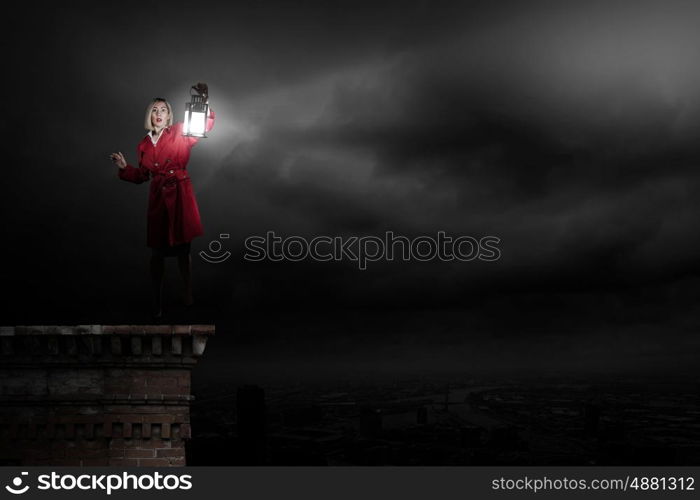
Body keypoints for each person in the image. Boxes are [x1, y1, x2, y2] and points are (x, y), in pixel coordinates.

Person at [110, 83, 215, 318]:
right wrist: (125, 168)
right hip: (158, 198)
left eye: (163, 110)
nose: (159, 114)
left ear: (170, 116)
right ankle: (156, 300)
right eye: (155, 110)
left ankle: (187, 292)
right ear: (150, 115)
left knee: (182, 250)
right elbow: (142, 176)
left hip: (179, 194)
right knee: (157, 253)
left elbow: (203, 126)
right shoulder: (143, 145)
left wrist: (203, 101)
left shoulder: (180, 131)